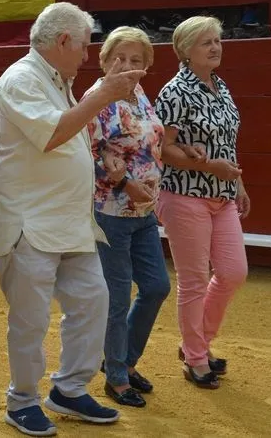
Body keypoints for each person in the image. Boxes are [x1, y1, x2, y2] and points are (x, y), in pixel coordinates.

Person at [0, 2, 142, 437]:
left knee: (93, 300)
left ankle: (69, 389)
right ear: (63, 41)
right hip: (27, 221)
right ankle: (22, 400)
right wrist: (103, 95)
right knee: (30, 319)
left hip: (69, 221)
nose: (87, 56)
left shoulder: (58, 80)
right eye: (84, 46)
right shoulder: (20, 79)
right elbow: (53, 134)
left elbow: (71, 137)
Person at [154, 15, 250, 390]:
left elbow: (228, 144)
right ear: (186, 51)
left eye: (217, 40)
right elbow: (161, 148)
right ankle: (196, 357)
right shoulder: (174, 91)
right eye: (206, 42)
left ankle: (197, 343)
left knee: (232, 272)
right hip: (183, 193)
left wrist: (239, 183)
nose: (215, 47)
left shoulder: (220, 87)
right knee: (194, 280)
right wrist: (211, 166)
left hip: (222, 194)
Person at [85, 27, 172, 408]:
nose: (127, 65)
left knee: (156, 287)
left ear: (147, 67)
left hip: (144, 211)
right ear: (104, 60)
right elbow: (89, 151)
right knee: (117, 296)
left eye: (136, 60)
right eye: (119, 58)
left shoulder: (138, 95)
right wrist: (124, 185)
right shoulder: (96, 97)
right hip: (111, 211)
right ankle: (117, 378)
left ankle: (122, 361)